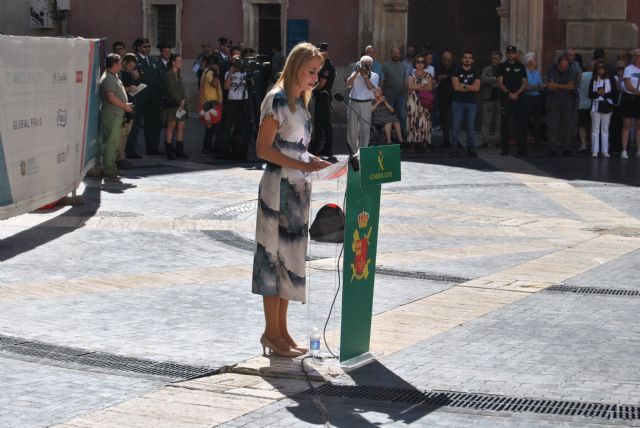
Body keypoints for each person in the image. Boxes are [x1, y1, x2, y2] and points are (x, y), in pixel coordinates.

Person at [252, 42, 332, 358]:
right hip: (278, 188)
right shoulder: (278, 99)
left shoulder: (299, 101)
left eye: (318, 73)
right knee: (273, 259)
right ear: (296, 66)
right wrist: (303, 164)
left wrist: (317, 162)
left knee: (289, 262)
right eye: (311, 72)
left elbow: (294, 147)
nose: (316, 78)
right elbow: (263, 148)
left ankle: (281, 332)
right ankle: (272, 333)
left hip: (297, 188)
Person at [99, 54, 133, 181]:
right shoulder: (108, 78)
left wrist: (125, 106)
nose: (121, 66)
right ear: (114, 64)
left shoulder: (114, 77)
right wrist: (125, 106)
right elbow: (111, 97)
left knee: (114, 143)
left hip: (117, 114)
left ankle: (112, 169)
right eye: (119, 63)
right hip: (112, 115)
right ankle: (109, 170)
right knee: (111, 144)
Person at [129, 37, 162, 156]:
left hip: (152, 97)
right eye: (144, 46)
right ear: (138, 47)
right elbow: (133, 77)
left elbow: (157, 79)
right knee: (135, 124)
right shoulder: (134, 61)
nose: (147, 48)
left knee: (152, 124)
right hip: (138, 97)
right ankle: (131, 150)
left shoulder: (152, 61)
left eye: (148, 46)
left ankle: (152, 147)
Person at [496, 45, 528, 156]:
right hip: (506, 98)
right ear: (506, 54)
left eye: (512, 53)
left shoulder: (521, 66)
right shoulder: (501, 66)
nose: (510, 55)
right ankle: (504, 148)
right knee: (505, 124)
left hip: (519, 98)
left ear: (515, 54)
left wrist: (517, 94)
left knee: (521, 124)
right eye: (508, 53)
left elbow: (524, 82)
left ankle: (522, 148)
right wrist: (508, 93)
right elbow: (500, 82)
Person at [346, 55, 379, 152]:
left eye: (367, 65)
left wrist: (365, 76)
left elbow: (370, 87)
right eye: (363, 64)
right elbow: (348, 84)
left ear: (371, 66)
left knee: (365, 128)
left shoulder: (374, 75)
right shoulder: (355, 73)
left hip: (366, 103)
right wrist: (357, 72)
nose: (365, 66)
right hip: (353, 102)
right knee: (352, 128)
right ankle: (352, 150)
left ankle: (363, 150)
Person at [450, 51, 481, 157]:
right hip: (457, 102)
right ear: (462, 59)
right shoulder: (456, 71)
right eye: (465, 57)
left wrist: (463, 85)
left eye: (469, 58)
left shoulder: (476, 71)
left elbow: (477, 88)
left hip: (471, 103)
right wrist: (469, 87)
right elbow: (455, 87)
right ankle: (454, 148)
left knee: (470, 127)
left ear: (472, 60)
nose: (467, 59)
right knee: (456, 127)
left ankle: (471, 148)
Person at [310, 42, 336, 158]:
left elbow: (321, 84)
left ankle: (315, 149)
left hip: (323, 96)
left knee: (320, 124)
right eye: (320, 50)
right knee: (326, 124)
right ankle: (327, 149)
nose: (321, 53)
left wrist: (310, 90)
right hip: (323, 95)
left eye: (323, 51)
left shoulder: (326, 65)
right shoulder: (325, 63)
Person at [546, 55, 576, 156]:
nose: (564, 68)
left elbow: (571, 86)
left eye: (566, 66)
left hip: (567, 100)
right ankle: (552, 148)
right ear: (558, 64)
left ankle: (566, 147)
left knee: (567, 124)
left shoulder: (570, 70)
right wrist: (564, 86)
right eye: (562, 66)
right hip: (553, 99)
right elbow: (550, 86)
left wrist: (557, 85)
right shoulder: (551, 69)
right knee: (553, 124)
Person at [588, 61, 617, 158]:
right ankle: (595, 151)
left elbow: (614, 94)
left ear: (605, 69)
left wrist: (604, 94)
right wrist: (598, 93)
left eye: (602, 68)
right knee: (595, 129)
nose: (600, 70)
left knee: (605, 129)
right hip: (595, 106)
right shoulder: (593, 80)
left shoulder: (611, 80)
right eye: (598, 68)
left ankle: (605, 151)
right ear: (596, 70)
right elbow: (590, 95)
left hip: (607, 105)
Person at [162, 54, 188, 159]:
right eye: (179, 61)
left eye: (181, 61)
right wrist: (179, 101)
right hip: (172, 105)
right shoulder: (169, 75)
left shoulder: (179, 74)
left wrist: (183, 101)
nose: (181, 63)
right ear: (173, 62)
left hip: (181, 105)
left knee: (181, 126)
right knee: (171, 127)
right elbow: (171, 90)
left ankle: (179, 150)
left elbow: (182, 90)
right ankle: (169, 151)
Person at [406, 53, 433, 152]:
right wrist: (422, 85)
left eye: (422, 62)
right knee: (413, 121)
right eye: (418, 62)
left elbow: (429, 88)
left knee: (425, 121)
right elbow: (409, 87)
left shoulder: (429, 75)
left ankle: (424, 143)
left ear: (425, 64)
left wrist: (416, 85)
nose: (420, 64)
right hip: (413, 101)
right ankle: (412, 143)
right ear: (415, 63)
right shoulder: (411, 75)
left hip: (424, 101)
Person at [117, 53, 140, 169]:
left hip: (130, 104)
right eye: (130, 66)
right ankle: (119, 158)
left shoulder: (130, 73)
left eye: (133, 67)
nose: (131, 68)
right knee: (121, 134)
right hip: (122, 106)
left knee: (126, 134)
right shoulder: (119, 74)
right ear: (124, 63)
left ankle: (122, 156)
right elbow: (117, 90)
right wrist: (128, 88)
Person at [198, 56, 223, 156]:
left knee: (211, 127)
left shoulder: (205, 72)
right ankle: (206, 148)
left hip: (207, 103)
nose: (217, 66)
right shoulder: (210, 73)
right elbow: (214, 84)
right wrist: (217, 73)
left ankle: (207, 147)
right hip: (211, 104)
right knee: (212, 127)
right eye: (216, 65)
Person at [382, 47, 409, 136]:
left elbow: (405, 79)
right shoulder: (385, 66)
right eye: (394, 53)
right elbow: (382, 81)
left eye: (397, 53)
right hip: (389, 95)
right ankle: (387, 138)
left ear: (400, 55)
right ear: (391, 54)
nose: (396, 55)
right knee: (389, 117)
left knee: (403, 115)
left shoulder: (403, 66)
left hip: (401, 95)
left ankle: (403, 136)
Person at [620, 49, 640, 159]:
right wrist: (638, 92)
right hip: (630, 98)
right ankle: (624, 150)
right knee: (627, 124)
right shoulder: (628, 69)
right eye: (636, 55)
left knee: (639, 125)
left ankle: (639, 149)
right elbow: (628, 85)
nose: (638, 57)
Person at [480, 51, 502, 148]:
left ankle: (497, 140)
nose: (494, 60)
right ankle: (484, 140)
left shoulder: (503, 69)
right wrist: (494, 79)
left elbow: (504, 82)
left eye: (496, 58)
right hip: (488, 98)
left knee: (499, 120)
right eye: (493, 58)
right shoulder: (487, 69)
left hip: (500, 98)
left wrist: (494, 82)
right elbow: (483, 79)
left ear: (500, 59)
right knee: (486, 120)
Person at [523, 52, 545, 149]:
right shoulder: (524, 72)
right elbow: (527, 87)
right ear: (530, 61)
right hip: (527, 98)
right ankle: (524, 139)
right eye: (534, 59)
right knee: (525, 119)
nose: (536, 61)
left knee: (537, 120)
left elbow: (541, 86)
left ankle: (537, 140)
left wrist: (537, 87)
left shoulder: (537, 73)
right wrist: (537, 87)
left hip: (537, 98)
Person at [435, 51, 454, 146]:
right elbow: (436, 78)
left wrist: (445, 76)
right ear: (443, 60)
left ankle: (454, 140)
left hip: (453, 96)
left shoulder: (454, 67)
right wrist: (445, 77)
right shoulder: (438, 67)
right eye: (446, 60)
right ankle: (446, 140)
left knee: (453, 118)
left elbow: (455, 77)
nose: (447, 62)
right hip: (442, 96)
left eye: (449, 60)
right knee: (443, 118)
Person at [577, 60, 595, 154]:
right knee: (593, 126)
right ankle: (593, 144)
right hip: (594, 104)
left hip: (582, 103)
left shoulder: (581, 75)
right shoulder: (597, 76)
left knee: (582, 126)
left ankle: (583, 144)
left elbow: (577, 88)